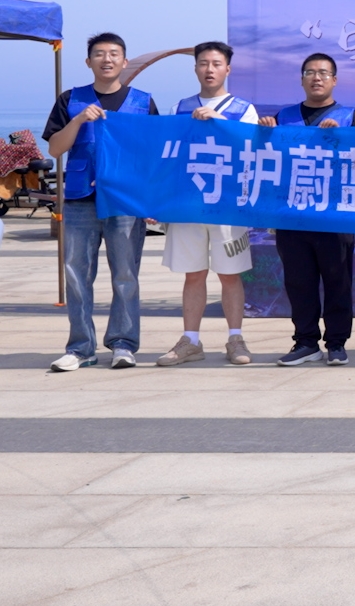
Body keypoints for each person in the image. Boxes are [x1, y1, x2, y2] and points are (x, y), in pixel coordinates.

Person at [43, 32, 159, 372]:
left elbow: (152, 155)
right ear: (88, 61)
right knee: (76, 275)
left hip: (124, 201)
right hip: (80, 199)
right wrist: (78, 120)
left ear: (125, 61)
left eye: (113, 54)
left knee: (125, 275)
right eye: (99, 54)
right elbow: (55, 149)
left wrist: (149, 201)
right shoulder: (70, 99)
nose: (107, 59)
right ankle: (81, 348)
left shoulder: (143, 102)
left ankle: (123, 344)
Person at [154, 42, 259, 367]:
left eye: (216, 63)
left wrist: (219, 121)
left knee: (230, 275)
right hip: (189, 204)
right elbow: (167, 154)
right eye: (203, 63)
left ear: (228, 68)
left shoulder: (244, 109)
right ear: (195, 68)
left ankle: (235, 338)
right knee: (193, 274)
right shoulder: (179, 107)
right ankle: (191, 341)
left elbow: (253, 150)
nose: (209, 69)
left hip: (228, 206)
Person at [259, 52, 355, 366]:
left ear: (334, 80)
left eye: (323, 73)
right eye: (310, 72)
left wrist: (342, 139)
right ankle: (305, 342)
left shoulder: (350, 118)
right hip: (292, 215)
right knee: (299, 282)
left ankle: (336, 343)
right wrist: (264, 133)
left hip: (334, 216)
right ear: (302, 79)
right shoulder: (284, 116)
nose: (316, 78)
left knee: (338, 281)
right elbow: (268, 159)